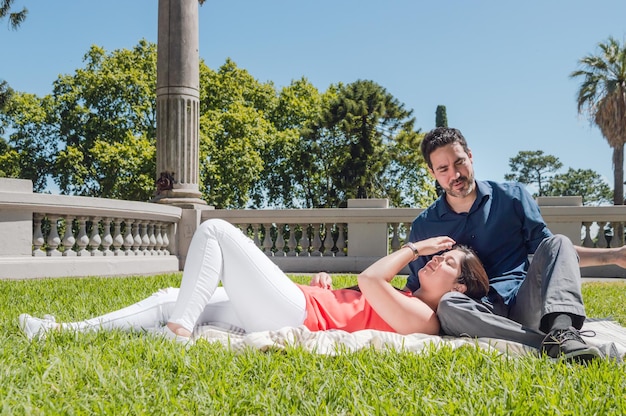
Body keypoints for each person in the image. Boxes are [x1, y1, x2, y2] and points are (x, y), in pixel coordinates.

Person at [20, 218, 489, 341]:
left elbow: (368, 283)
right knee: (173, 295)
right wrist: (330, 286)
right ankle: (59, 331)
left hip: (297, 316)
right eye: (435, 256)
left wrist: (413, 247)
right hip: (305, 303)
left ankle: (179, 335)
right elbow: (362, 296)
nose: (432, 261)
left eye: (446, 262)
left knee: (216, 232)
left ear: (461, 286)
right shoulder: (408, 295)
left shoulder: (427, 317)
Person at [404, 126, 626, 362]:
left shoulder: (512, 197)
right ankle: (551, 344)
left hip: (522, 303)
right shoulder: (424, 225)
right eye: (443, 169)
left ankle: (562, 329)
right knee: (448, 305)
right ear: (432, 173)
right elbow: (415, 288)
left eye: (459, 163)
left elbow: (554, 255)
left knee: (558, 241)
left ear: (470, 155)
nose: (455, 175)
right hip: (472, 313)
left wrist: (614, 255)